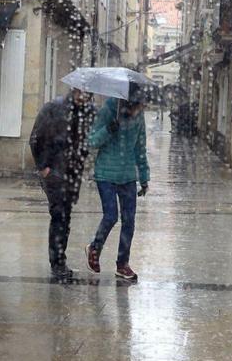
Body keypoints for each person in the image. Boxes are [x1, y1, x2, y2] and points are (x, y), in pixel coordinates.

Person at [29, 88, 96, 279]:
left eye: (88, 96)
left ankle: (59, 260)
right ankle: (57, 263)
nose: (85, 99)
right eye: (83, 95)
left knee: (65, 217)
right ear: (75, 92)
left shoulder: (85, 112)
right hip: (54, 172)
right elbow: (35, 138)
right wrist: (43, 167)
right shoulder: (53, 108)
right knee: (59, 216)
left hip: (72, 172)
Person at [85, 93, 150, 280]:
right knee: (111, 215)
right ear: (129, 102)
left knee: (129, 220)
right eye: (138, 106)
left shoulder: (139, 117)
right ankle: (94, 248)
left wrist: (144, 177)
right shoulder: (108, 110)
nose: (140, 110)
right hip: (105, 173)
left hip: (128, 175)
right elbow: (91, 141)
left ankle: (122, 264)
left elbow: (140, 148)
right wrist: (108, 129)